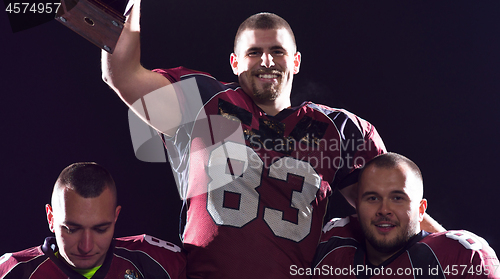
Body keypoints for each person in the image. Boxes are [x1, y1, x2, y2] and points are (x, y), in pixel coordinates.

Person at [100, 1, 444, 277]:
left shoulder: (340, 129)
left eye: (277, 51)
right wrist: (129, 4)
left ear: (295, 61)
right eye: (254, 52)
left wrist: (452, 250)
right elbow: (123, 74)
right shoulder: (201, 102)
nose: (267, 61)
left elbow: (395, 207)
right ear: (235, 62)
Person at [311, 153, 499, 278]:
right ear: (357, 206)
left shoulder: (462, 257)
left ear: (421, 209)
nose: (384, 209)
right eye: (373, 198)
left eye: (397, 198)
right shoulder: (332, 247)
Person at [0, 162, 186, 279]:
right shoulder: (12, 272)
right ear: (51, 218)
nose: (86, 246)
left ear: (115, 217)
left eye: (100, 229)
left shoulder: (158, 263)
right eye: (72, 229)